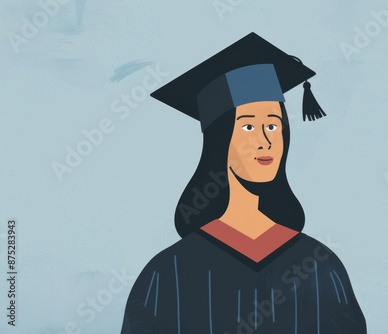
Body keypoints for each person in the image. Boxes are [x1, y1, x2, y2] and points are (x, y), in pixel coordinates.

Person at [120, 32, 366, 334]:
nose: (265, 142)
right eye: (248, 125)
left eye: (273, 125)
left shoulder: (317, 266)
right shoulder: (167, 273)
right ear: (219, 139)